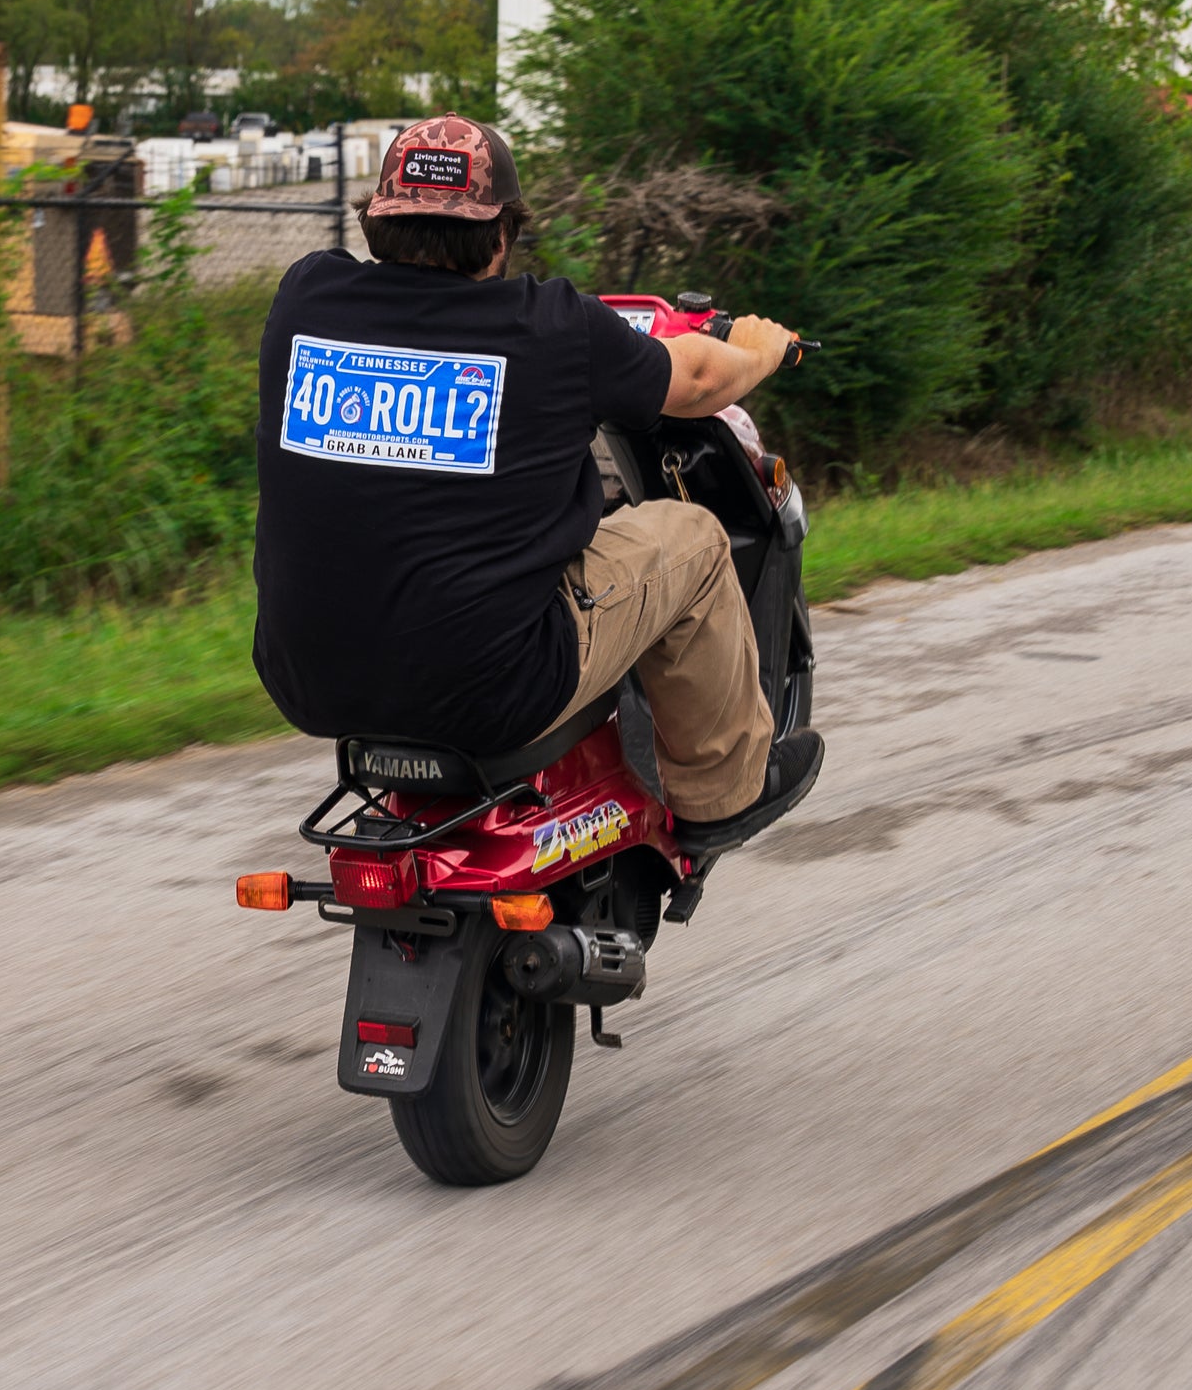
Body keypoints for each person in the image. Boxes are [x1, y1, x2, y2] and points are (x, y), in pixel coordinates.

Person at [252, 114, 822, 850]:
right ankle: (722, 792)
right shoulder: (553, 327)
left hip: (307, 681)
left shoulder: (304, 299)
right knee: (693, 538)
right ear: (500, 236)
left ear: (376, 223)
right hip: (499, 692)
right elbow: (702, 379)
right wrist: (757, 348)